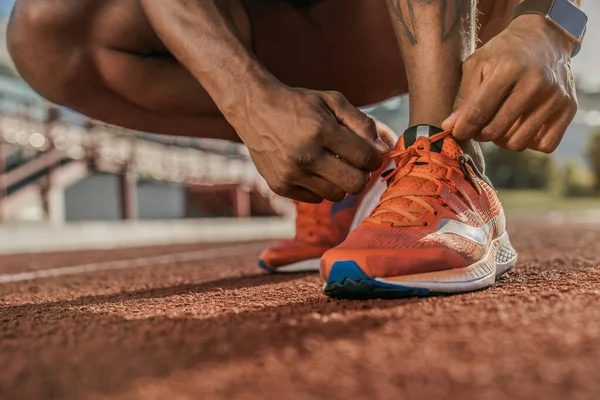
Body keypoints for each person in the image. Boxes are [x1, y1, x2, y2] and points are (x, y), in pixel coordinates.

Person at [7, 0, 585, 297]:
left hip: (474, 12)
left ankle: (441, 160)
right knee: (53, 34)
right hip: (314, 28)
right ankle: (346, 162)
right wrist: (252, 101)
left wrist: (555, 23)